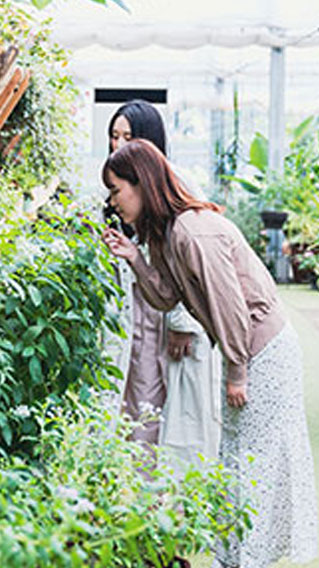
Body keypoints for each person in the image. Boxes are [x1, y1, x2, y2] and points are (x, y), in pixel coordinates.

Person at [102, 139, 317, 568]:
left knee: (255, 460)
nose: (112, 201)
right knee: (234, 458)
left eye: (115, 189)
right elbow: (165, 298)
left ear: (141, 183)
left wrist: (237, 371)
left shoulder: (193, 230)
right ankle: (231, 560)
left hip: (266, 352)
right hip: (245, 351)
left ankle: (249, 560)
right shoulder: (165, 234)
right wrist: (134, 259)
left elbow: (231, 306)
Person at [103, 101, 221, 470]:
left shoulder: (176, 181)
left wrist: (183, 323)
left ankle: (170, 486)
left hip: (166, 310)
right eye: (114, 136)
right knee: (138, 396)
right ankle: (138, 484)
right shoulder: (115, 181)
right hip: (137, 307)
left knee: (176, 403)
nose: (119, 144)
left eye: (128, 136)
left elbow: (190, 258)